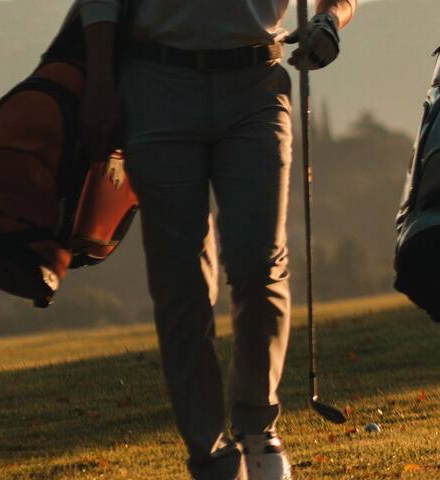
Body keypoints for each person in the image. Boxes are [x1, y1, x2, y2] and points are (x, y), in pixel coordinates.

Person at [72, 0, 354, 478]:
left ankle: (257, 426)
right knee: (181, 283)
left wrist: (329, 20)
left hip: (256, 81)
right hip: (155, 81)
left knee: (258, 264)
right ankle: (210, 454)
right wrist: (99, 80)